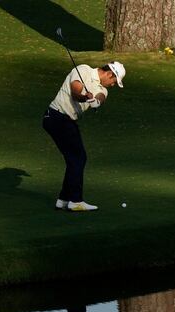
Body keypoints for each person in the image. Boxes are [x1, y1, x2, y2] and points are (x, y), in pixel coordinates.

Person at [43, 61, 126, 211]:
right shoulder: (83, 70)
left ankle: (63, 200)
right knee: (78, 158)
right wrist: (84, 97)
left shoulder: (103, 89)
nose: (113, 85)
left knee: (75, 158)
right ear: (109, 74)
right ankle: (75, 201)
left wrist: (96, 102)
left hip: (66, 121)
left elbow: (100, 97)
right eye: (114, 81)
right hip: (56, 116)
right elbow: (75, 92)